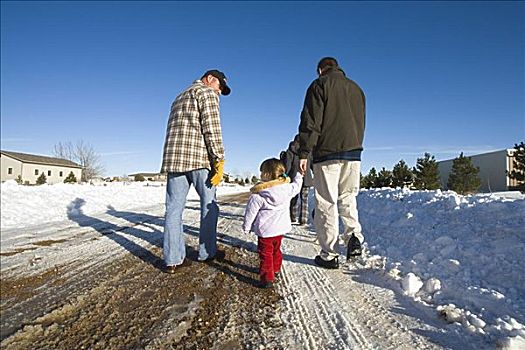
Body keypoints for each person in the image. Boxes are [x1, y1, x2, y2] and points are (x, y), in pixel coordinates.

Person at [297, 57, 366, 269]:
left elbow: (311, 121)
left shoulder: (319, 85)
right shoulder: (356, 88)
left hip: (327, 152)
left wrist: (304, 151)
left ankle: (329, 254)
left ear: (320, 70)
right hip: (353, 151)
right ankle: (354, 235)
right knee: (347, 196)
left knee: (327, 201)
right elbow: (360, 121)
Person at [161, 69, 231, 274]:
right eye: (220, 87)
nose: (219, 93)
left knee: (173, 209)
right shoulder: (206, 93)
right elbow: (212, 128)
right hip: (198, 158)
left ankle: (173, 259)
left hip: (175, 160)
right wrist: (219, 158)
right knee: (209, 205)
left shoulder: (178, 97)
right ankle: (206, 252)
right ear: (210, 79)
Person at [243, 158, 303, 288]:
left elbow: (250, 213)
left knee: (266, 254)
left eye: (262, 172)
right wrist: (299, 173)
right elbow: (297, 186)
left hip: (266, 232)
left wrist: (247, 227)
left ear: (267, 174)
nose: (260, 175)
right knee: (276, 250)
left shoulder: (258, 195)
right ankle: (275, 269)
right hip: (280, 230)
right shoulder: (287, 189)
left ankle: (267, 278)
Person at [280, 135, 314, 225]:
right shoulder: (308, 151)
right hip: (306, 178)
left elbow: (287, 165)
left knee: (294, 197)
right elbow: (312, 164)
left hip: (293, 177)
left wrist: (285, 175)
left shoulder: (290, 151)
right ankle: (303, 219)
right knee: (304, 199)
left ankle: (293, 217)